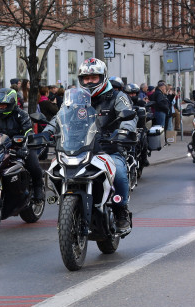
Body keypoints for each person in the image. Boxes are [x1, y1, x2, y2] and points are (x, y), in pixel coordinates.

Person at [52, 58, 135, 232]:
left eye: (94, 77)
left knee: (119, 172)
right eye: (86, 78)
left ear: (103, 77)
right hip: (79, 147)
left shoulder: (117, 97)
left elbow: (129, 116)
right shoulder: (75, 99)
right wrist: (46, 132)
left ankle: (121, 211)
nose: (89, 81)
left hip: (109, 148)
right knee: (56, 170)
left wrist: (124, 131)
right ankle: (69, 209)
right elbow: (59, 117)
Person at [0, 88, 44, 201]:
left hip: (21, 146)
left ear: (11, 103)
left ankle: (38, 188)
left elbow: (28, 131)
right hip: (3, 146)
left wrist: (25, 147)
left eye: (3, 105)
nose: (0, 107)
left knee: (33, 165)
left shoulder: (21, 115)